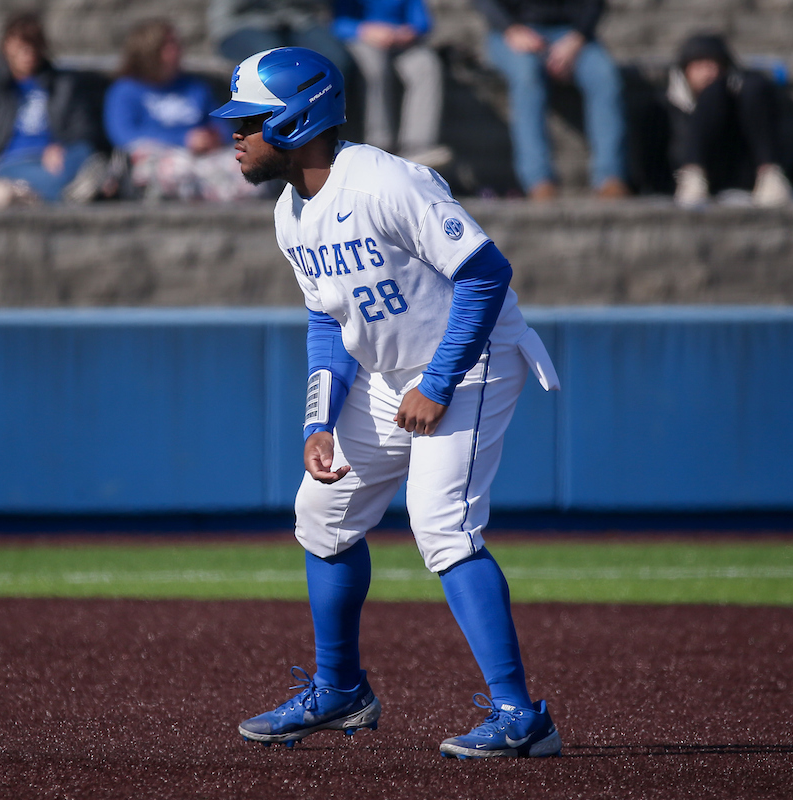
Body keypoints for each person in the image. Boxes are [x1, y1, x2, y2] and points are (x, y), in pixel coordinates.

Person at [211, 47, 564, 759]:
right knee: (322, 513)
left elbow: (487, 274)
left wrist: (436, 385)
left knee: (440, 527)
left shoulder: (382, 181)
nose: (235, 135)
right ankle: (340, 691)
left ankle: (522, 717)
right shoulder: (290, 212)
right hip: (386, 374)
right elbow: (327, 321)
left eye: (248, 119)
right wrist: (319, 416)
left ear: (296, 118)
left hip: (474, 361)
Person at [473, 0, 627, 200]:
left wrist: (577, 37)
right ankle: (538, 180)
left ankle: (610, 177)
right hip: (511, 32)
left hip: (572, 34)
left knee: (605, 77)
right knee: (527, 77)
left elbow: (594, 4)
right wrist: (510, 28)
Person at [103, 19, 265, 201]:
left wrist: (211, 137)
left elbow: (224, 127)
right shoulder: (125, 90)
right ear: (149, 50)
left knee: (252, 171)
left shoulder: (196, 87)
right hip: (160, 155)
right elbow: (123, 135)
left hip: (205, 158)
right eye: (169, 45)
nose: (178, 50)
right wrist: (184, 139)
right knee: (165, 169)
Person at [0, 11, 105, 206]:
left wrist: (61, 146)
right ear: (6, 46)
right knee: (56, 182)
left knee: (82, 153)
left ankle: (34, 195)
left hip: (58, 161)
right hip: (10, 162)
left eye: (33, 46)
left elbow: (85, 129)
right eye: (21, 47)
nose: (28, 53)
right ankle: (67, 195)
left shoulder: (63, 85)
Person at [668, 33, 792, 208]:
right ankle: (693, 173)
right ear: (684, 71)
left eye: (714, 65)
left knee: (754, 86)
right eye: (699, 65)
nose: (709, 73)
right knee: (713, 94)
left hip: (749, 183)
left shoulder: (755, 111)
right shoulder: (664, 111)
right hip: (689, 187)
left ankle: (769, 173)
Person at [332, 0, 451, 169]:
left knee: (426, 64)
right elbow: (337, 23)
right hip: (362, 39)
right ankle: (380, 144)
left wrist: (407, 33)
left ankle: (418, 147)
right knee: (374, 67)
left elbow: (422, 22)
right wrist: (365, 31)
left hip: (401, 44)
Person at [209, 0, 353, 78]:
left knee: (333, 59)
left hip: (296, 20)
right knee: (276, 62)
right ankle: (278, 126)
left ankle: (321, 124)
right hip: (241, 22)